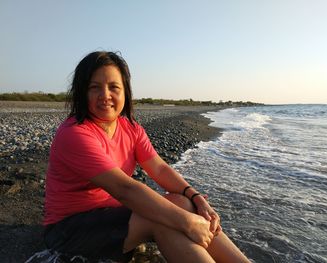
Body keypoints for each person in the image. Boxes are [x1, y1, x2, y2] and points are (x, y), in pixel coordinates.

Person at [43, 51, 251, 263]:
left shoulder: (130, 128)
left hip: (113, 216)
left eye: (114, 87)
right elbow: (125, 189)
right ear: (81, 92)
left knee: (181, 202)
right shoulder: (75, 133)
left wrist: (196, 198)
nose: (105, 95)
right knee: (163, 220)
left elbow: (159, 168)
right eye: (94, 87)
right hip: (68, 230)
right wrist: (188, 222)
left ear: (125, 92)